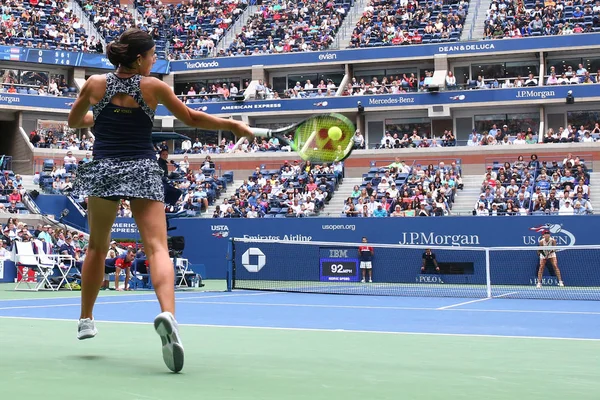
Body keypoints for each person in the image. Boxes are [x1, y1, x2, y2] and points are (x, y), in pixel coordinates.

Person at [68, 28, 253, 373]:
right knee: (157, 248)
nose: (155, 61)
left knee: (96, 246)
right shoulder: (152, 88)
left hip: (103, 168)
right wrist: (232, 125)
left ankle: (86, 319)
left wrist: (98, 117)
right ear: (139, 59)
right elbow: (192, 119)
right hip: (141, 167)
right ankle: (168, 314)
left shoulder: (94, 84)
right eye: (152, 55)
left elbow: (74, 120)